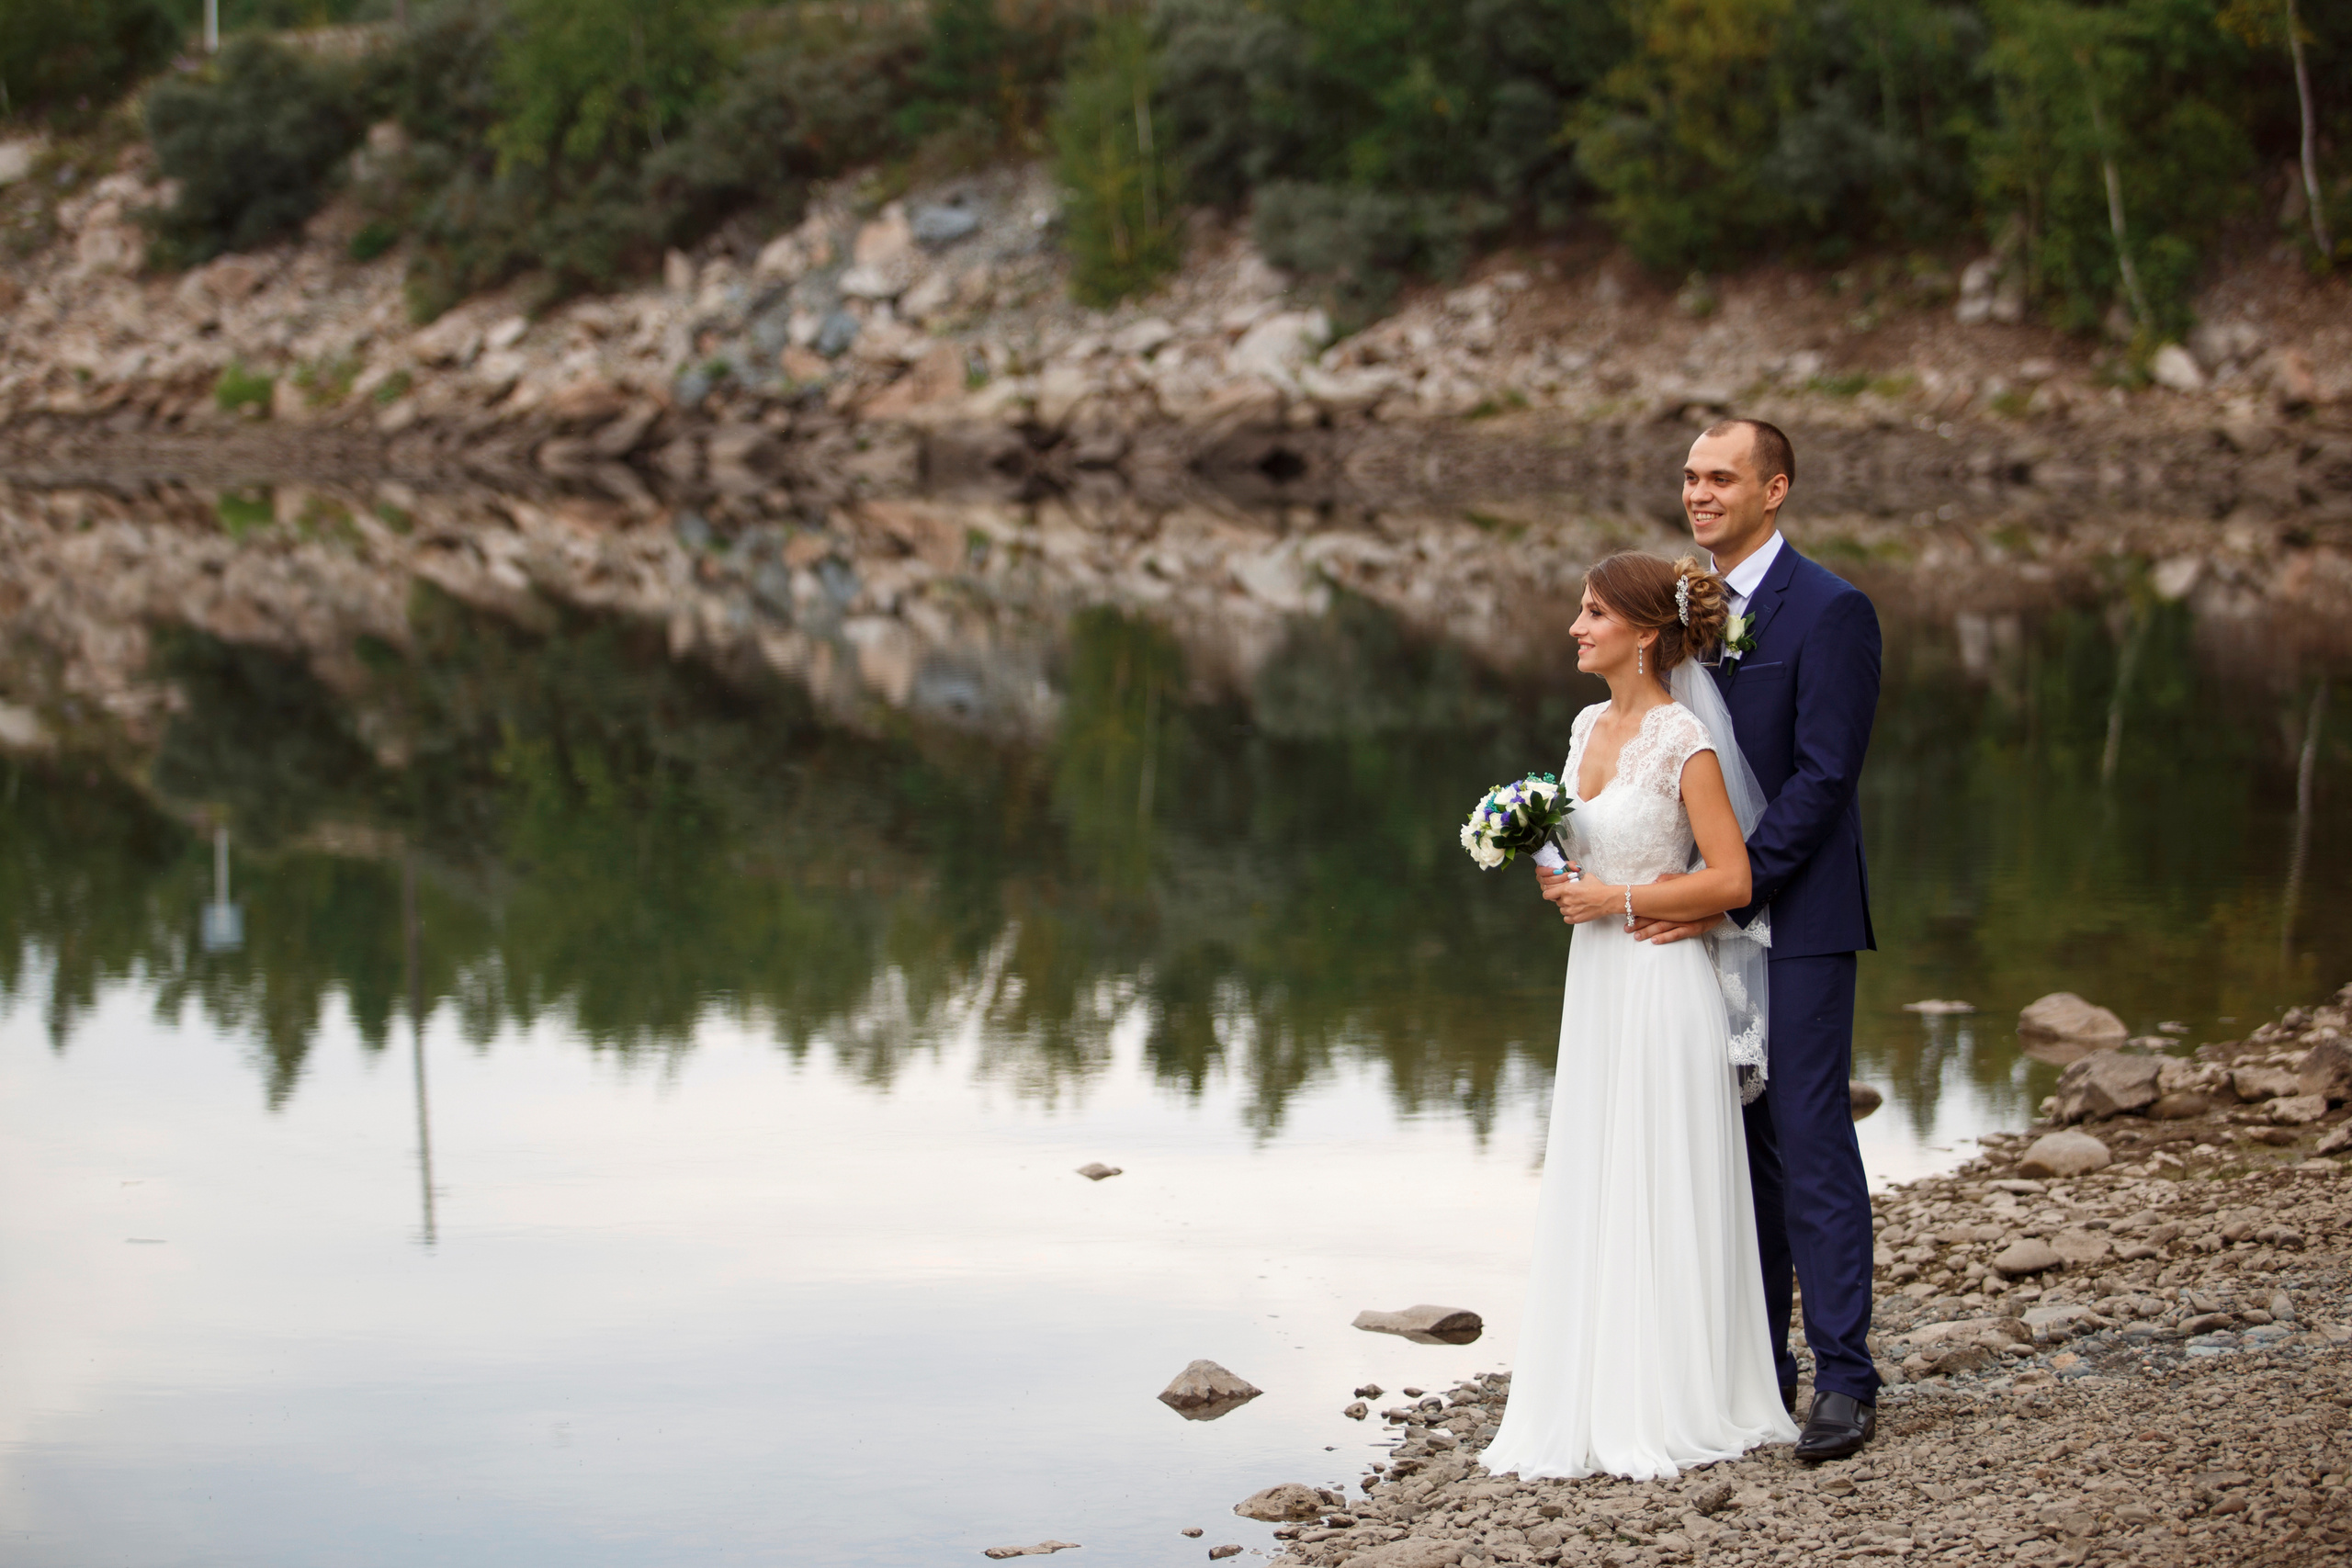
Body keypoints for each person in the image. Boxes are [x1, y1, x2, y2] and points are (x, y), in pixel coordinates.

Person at [1478, 551, 1800, 1483]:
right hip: (1598, 985)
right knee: (1599, 1167)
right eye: (1578, 613)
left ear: (1644, 634)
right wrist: (1545, 861)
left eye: (1591, 615)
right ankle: (1587, 1387)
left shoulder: (1683, 738)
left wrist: (1618, 901)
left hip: (1661, 982)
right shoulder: (1585, 724)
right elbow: (1579, 841)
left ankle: (1674, 1396)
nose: (1575, 629)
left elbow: (1734, 880)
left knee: (1660, 1174)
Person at [1630, 418, 1885, 1463]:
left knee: (1810, 1136)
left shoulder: (1831, 611)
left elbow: (1824, 779)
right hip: (1705, 920)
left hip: (1800, 915)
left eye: (1720, 477)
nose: (1699, 493)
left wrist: (1728, 896)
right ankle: (1757, 1375)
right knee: (1736, 1152)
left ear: (1773, 490)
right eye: (1690, 477)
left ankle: (1846, 1383)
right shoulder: (1682, 609)